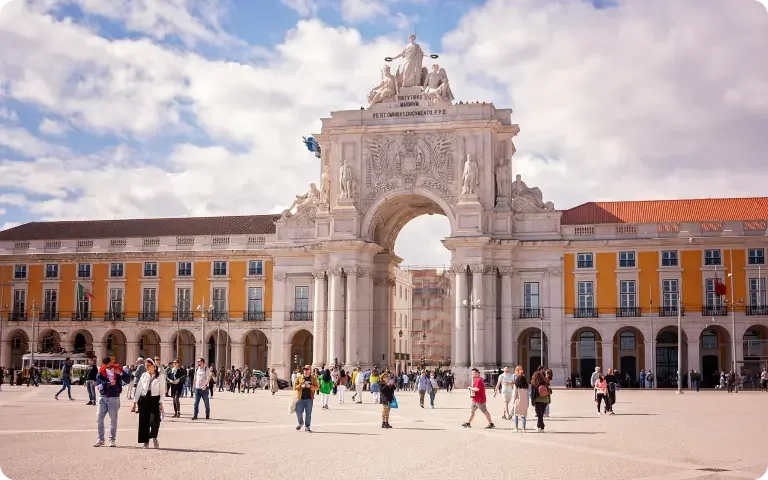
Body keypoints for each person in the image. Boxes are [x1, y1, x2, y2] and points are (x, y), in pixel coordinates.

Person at [94, 356, 131, 447]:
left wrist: (121, 374)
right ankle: (101, 439)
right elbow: (99, 384)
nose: (110, 365)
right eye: (108, 364)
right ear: (104, 364)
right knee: (99, 418)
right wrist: (109, 384)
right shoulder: (101, 371)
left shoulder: (117, 369)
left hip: (114, 397)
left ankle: (112, 440)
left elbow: (128, 379)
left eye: (111, 363)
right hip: (102, 397)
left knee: (113, 420)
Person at [132, 358, 165, 448]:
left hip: (155, 399)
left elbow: (162, 390)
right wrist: (135, 402)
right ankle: (145, 441)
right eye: (146, 366)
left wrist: (161, 402)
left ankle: (154, 437)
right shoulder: (144, 375)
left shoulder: (160, 376)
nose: (147, 368)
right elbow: (139, 388)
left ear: (153, 366)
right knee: (144, 421)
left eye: (148, 366)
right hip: (144, 399)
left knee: (155, 420)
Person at [293, 365, 319, 432]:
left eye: (307, 370)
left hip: (309, 399)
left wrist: (310, 386)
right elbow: (294, 387)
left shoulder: (313, 378)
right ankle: (301, 422)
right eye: (304, 370)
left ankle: (307, 426)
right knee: (298, 412)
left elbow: (317, 387)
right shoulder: (299, 377)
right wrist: (301, 386)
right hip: (300, 398)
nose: (305, 371)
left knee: (308, 413)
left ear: (310, 370)